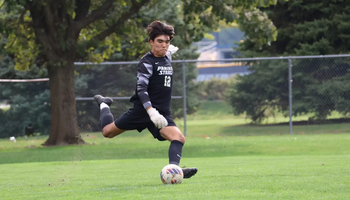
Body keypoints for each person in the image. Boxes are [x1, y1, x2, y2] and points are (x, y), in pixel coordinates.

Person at [94, 20, 197, 179]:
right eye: (159, 42)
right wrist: (151, 111)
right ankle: (104, 104)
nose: (164, 45)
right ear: (151, 42)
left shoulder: (167, 56)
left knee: (178, 138)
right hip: (143, 110)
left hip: (162, 113)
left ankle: (174, 171)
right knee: (107, 132)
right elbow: (141, 90)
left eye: (167, 42)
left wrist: (169, 51)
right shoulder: (146, 62)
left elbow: (167, 52)